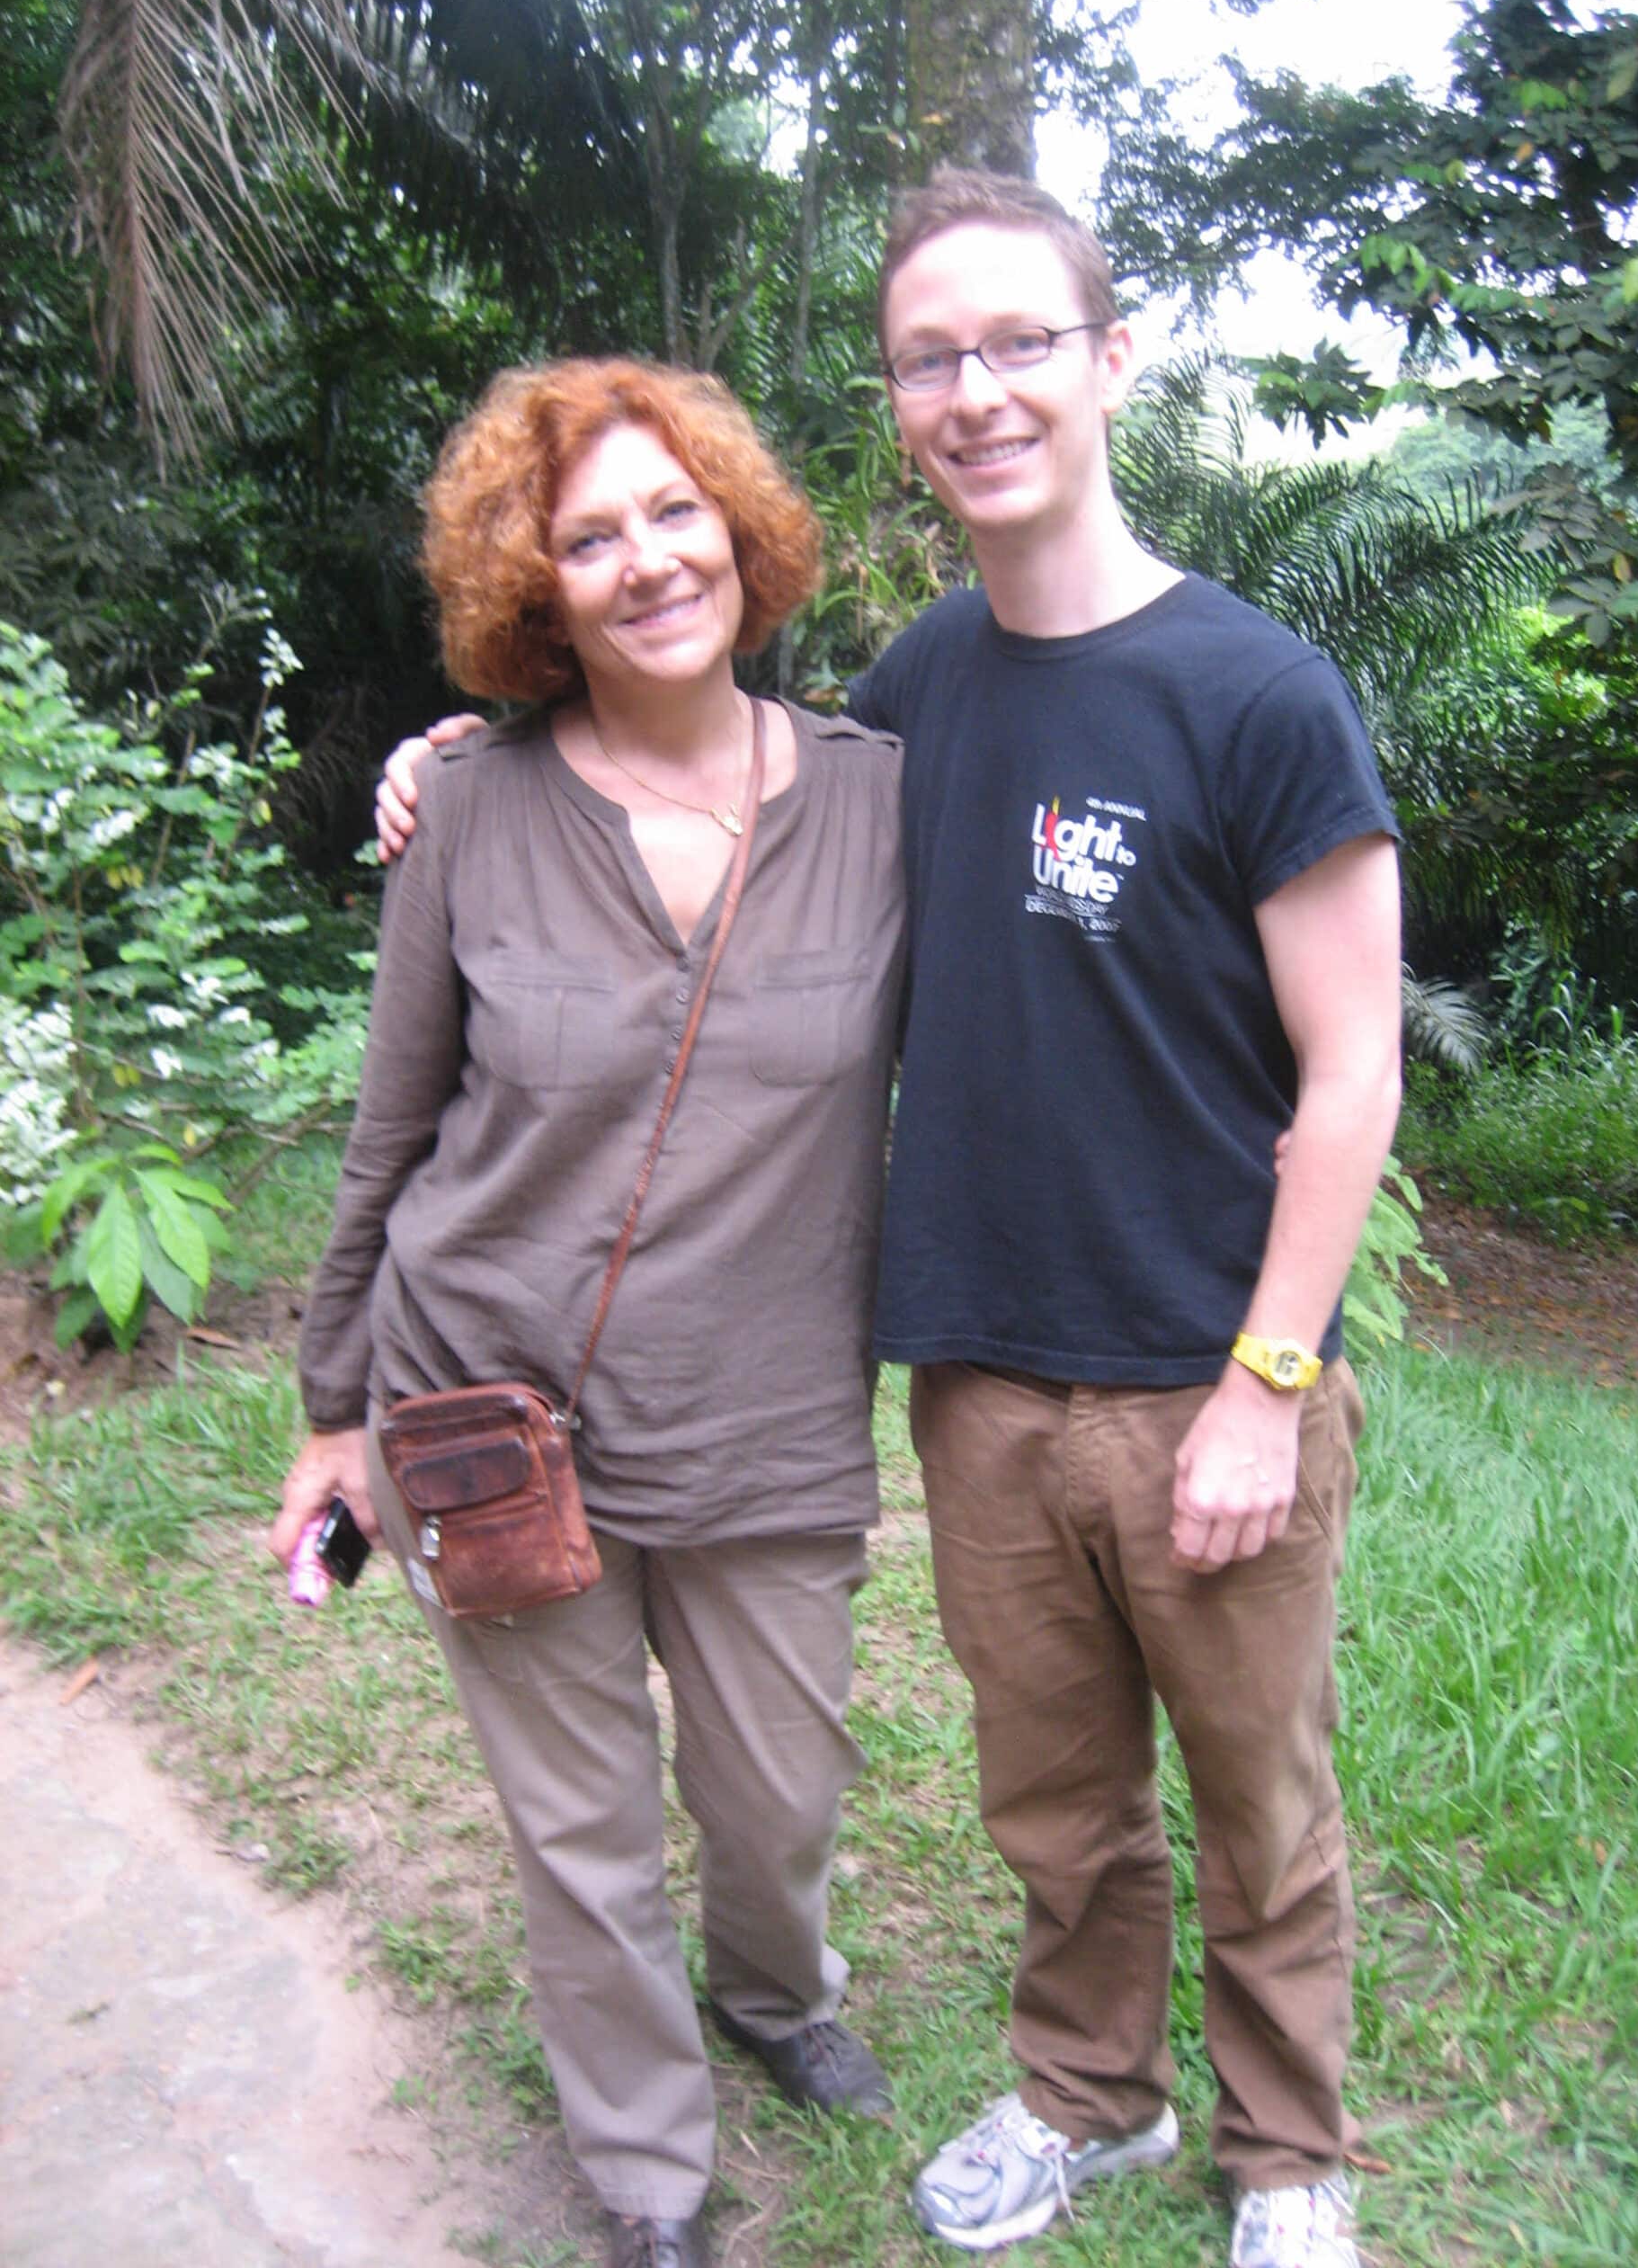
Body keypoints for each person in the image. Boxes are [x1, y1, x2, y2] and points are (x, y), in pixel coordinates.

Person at [378, 172, 1403, 2268]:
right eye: (934, 357)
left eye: (1022, 340)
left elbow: (1356, 1069)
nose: (978, 389)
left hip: (1212, 1365)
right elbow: (694, 767)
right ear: (900, 402)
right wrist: (470, 753)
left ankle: (1290, 2152)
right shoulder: (917, 692)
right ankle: (1088, 2095)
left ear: (1112, 359)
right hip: (979, 1368)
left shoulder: (1261, 691)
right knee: (1057, 1799)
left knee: (1259, 1795)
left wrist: (1268, 1379)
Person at [272, 357, 906, 2268]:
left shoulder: (888, 801)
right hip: (491, 1404)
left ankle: (774, 1982)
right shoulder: (469, 808)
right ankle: (648, 2169)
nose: (645, 561)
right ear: (533, 587)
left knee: (777, 1788)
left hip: (771, 1405)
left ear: (741, 528)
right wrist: (330, 1406)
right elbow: (393, 1133)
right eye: (590, 535)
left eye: (673, 512)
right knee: (585, 1826)